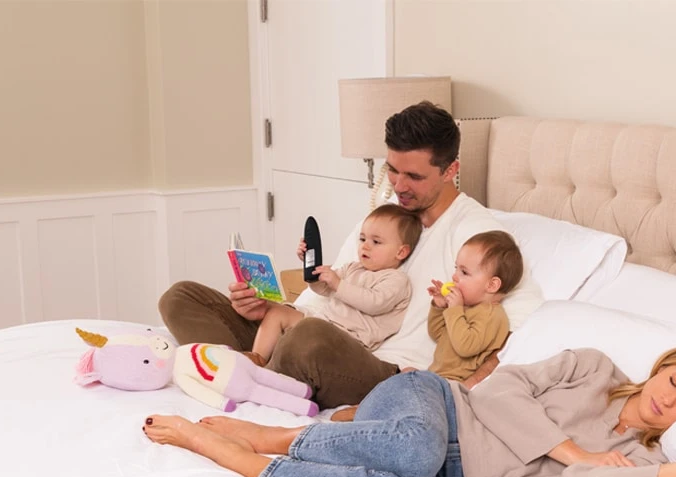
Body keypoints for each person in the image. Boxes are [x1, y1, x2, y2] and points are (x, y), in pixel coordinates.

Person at [157, 101, 543, 409]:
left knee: (306, 340)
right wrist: (264, 312)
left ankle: (236, 370)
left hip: (383, 369)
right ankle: (250, 367)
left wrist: (454, 395)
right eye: (393, 170)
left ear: (450, 170)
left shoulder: (478, 235)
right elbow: (330, 292)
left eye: (414, 176)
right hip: (317, 330)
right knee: (181, 298)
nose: (398, 185)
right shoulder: (384, 217)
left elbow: (517, 331)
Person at [141, 339, 676, 477]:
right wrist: (571, 449)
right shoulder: (592, 367)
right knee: (414, 447)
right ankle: (276, 438)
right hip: (435, 404)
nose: (667, 400)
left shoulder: (638, 457)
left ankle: (233, 456)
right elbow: (499, 390)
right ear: (664, 363)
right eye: (675, 380)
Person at [248, 204, 422, 366]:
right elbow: (324, 288)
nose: (365, 246)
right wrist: (312, 270)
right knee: (277, 312)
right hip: (322, 323)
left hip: (349, 340)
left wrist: (338, 284)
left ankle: (267, 370)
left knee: (303, 336)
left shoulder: (396, 280)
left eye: (376, 242)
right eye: (362, 239)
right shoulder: (353, 268)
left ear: (401, 252)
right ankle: (256, 360)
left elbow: (374, 303)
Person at [422, 230, 522, 381]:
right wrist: (440, 306)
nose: (454, 276)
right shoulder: (465, 308)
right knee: (406, 373)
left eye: (464, 272)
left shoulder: (491, 315)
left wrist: (455, 310)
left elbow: (466, 347)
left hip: (453, 383)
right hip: (434, 376)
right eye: (456, 268)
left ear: (491, 285)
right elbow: (437, 334)